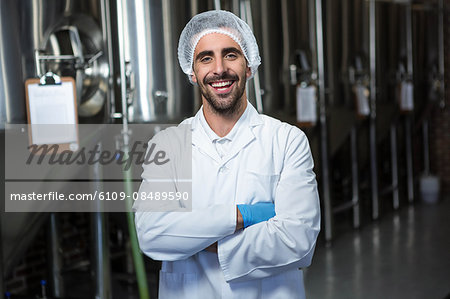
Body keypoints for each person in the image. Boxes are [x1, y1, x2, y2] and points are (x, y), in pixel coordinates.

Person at [135, 10, 320, 299]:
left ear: (249, 66)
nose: (219, 69)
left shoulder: (287, 140)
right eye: (206, 58)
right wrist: (245, 215)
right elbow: (151, 235)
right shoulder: (167, 146)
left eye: (231, 55)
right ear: (192, 73)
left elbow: (299, 239)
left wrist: (195, 239)